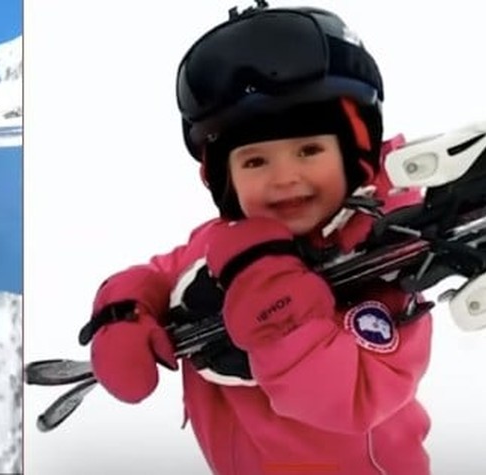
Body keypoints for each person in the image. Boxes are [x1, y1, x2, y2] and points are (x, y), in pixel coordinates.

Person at [79, 5, 433, 475]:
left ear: (353, 155)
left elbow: (359, 396)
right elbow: (162, 274)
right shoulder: (224, 242)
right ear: (223, 180)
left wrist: (278, 312)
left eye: (308, 150)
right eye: (254, 162)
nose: (284, 177)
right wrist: (125, 309)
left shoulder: (388, 261)